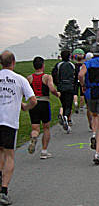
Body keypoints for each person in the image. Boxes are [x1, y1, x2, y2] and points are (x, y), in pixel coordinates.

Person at [0, 51, 37, 205]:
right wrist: (25, 107)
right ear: (13, 62)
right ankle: (3, 190)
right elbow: (33, 100)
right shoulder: (20, 79)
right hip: (9, 121)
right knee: (9, 155)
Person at [26, 57, 60, 159]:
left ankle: (34, 137)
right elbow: (51, 88)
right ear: (43, 65)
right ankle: (44, 151)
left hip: (33, 104)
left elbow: (25, 91)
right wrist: (56, 94)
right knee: (46, 127)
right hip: (44, 102)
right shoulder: (47, 77)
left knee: (35, 127)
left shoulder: (29, 78)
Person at [52, 50, 75, 133]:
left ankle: (63, 115)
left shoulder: (58, 65)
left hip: (61, 87)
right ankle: (66, 117)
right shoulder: (72, 65)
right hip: (70, 86)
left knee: (63, 103)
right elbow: (75, 76)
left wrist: (57, 84)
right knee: (69, 104)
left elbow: (54, 75)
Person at [73, 49, 86, 114]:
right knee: (82, 93)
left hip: (75, 80)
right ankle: (81, 106)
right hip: (81, 80)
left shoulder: (74, 66)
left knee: (75, 93)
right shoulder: (83, 66)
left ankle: (75, 102)